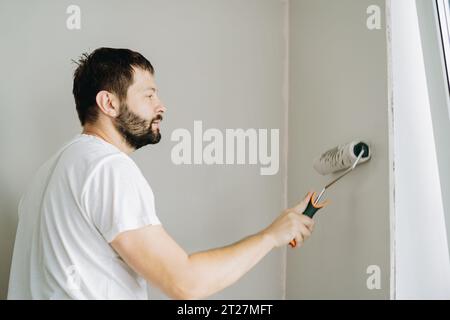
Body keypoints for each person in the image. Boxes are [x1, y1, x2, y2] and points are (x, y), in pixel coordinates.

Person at [7, 48, 315, 300]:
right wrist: (270, 236)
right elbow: (185, 284)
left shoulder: (44, 177)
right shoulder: (108, 168)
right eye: (149, 95)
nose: (162, 106)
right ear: (109, 103)